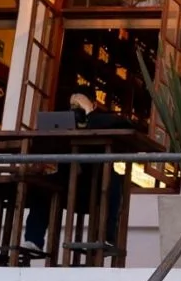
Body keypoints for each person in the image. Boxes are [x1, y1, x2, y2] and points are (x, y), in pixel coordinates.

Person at [20, 93, 129, 255]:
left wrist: (88, 113)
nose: (76, 108)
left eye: (79, 104)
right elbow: (40, 142)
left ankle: (107, 238)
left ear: (93, 104)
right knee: (42, 186)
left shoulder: (102, 121)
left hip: (96, 185)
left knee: (114, 182)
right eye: (73, 105)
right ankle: (33, 240)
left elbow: (124, 124)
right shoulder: (65, 125)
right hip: (67, 183)